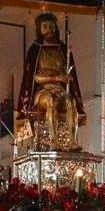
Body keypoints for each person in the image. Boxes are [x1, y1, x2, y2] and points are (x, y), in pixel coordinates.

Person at [16, 12, 86, 151]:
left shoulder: (63, 49)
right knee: (50, 101)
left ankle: (72, 141)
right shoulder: (35, 50)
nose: (49, 30)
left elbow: (69, 74)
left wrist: (66, 78)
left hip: (60, 89)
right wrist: (55, 77)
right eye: (45, 26)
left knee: (70, 102)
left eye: (51, 26)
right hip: (43, 91)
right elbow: (34, 77)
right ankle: (53, 141)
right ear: (39, 29)